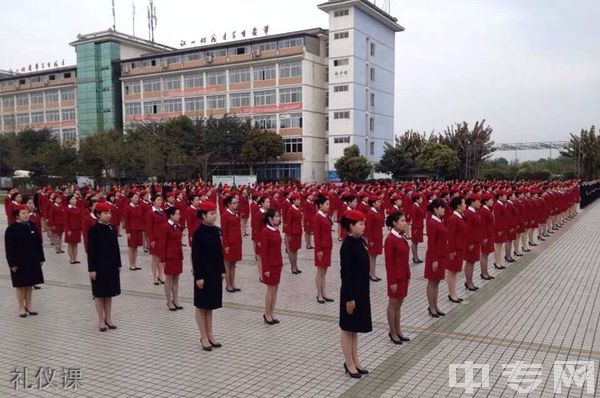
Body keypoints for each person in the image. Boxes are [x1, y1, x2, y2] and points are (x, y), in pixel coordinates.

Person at [339, 209, 372, 378]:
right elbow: (345, 274)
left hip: (361, 290)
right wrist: (349, 298)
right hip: (350, 292)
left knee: (355, 328)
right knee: (347, 328)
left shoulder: (360, 241)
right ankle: (348, 362)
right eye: (360, 224)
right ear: (351, 226)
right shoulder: (347, 245)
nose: (363, 226)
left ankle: (355, 360)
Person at [192, 201, 226, 351]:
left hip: (214, 273)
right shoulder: (198, 233)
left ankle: (210, 334)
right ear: (203, 215)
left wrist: (222, 270)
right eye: (212, 214)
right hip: (203, 274)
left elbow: (219, 253)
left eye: (215, 213)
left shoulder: (216, 231)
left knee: (210, 305)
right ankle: (203, 336)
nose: (214, 216)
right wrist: (198, 277)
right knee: (201, 305)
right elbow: (196, 257)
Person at [5, 204, 45, 317]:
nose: (26, 215)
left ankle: (29, 305)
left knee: (29, 284)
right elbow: (9, 249)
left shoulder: (31, 225)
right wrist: (12, 263)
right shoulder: (11, 229)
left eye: (27, 212)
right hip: (19, 261)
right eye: (23, 213)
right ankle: (21, 307)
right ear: (17, 216)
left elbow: (38, 243)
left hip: (32, 260)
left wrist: (41, 258)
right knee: (21, 285)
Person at [87, 202, 121, 332]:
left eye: (109, 213)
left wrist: (118, 264)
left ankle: (109, 318)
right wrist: (92, 269)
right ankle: (101, 320)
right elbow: (91, 252)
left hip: (111, 265)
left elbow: (116, 248)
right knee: (99, 294)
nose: (108, 215)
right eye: (105, 213)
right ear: (98, 215)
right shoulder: (93, 230)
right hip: (99, 266)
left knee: (109, 293)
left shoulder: (112, 228)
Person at [384, 211, 411, 344]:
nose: (404, 223)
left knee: (399, 305)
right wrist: (392, 281)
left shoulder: (401, 237)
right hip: (396, 277)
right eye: (402, 221)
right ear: (394, 223)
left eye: (404, 221)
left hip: (404, 275)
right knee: (393, 304)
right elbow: (389, 263)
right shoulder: (390, 239)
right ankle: (392, 331)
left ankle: (398, 330)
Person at [259, 208, 284, 325]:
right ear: (270, 218)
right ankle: (267, 313)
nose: (278, 218)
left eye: (279, 216)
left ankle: (272, 312)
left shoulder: (276, 230)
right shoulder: (265, 232)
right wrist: (266, 269)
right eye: (276, 216)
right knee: (270, 290)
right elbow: (263, 253)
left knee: (276, 290)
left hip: (277, 263)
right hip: (270, 265)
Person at [424, 199, 448, 318]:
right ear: (435, 209)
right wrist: (434, 260)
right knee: (432, 282)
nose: (444, 209)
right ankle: (431, 307)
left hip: (441, 255)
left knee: (437, 282)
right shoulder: (432, 223)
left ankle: (435, 305)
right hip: (435, 256)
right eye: (441, 207)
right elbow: (431, 243)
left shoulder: (440, 220)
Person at [158, 207, 184, 311]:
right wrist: (163, 259)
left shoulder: (177, 226)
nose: (179, 216)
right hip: (169, 257)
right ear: (171, 215)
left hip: (177, 256)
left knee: (176, 280)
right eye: (177, 214)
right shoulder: (165, 227)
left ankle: (176, 300)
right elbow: (162, 244)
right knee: (168, 280)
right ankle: (169, 301)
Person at [313, 194, 334, 303]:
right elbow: (316, 235)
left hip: (327, 246)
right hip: (321, 248)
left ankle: (324, 292)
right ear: (320, 205)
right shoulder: (317, 217)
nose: (328, 206)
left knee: (324, 271)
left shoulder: (325, 215)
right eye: (326, 204)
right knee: (320, 271)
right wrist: (318, 250)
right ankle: (319, 294)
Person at [446, 196, 467, 303]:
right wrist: (452, 251)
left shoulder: (461, 216)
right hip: (455, 249)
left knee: (455, 271)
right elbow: (450, 236)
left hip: (460, 247)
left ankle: (453, 293)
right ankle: (451, 294)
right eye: (464, 203)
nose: (465, 205)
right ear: (458, 205)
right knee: (452, 272)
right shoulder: (453, 218)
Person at [221, 195, 243, 292]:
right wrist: (226, 245)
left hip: (237, 242)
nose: (236, 204)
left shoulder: (236, 213)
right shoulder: (225, 214)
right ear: (228, 204)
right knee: (227, 264)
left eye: (237, 203)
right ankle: (228, 285)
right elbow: (223, 231)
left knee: (233, 264)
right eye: (234, 203)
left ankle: (233, 283)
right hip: (229, 243)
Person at [146, 194, 167, 285]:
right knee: (155, 258)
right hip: (155, 238)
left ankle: (160, 275)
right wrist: (151, 240)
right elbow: (149, 228)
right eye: (158, 200)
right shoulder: (150, 212)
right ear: (153, 201)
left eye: (161, 200)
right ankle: (155, 276)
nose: (160, 201)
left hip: (162, 238)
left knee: (161, 258)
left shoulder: (163, 212)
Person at [464, 194, 482, 291]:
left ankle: (470, 281)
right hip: (471, 242)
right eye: (478, 201)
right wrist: (470, 243)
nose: (480, 203)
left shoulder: (475, 212)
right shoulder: (468, 213)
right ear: (472, 202)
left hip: (476, 241)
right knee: (470, 262)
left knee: (472, 262)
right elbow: (468, 230)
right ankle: (468, 282)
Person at [364, 194, 384, 282]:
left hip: (378, 236)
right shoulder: (371, 213)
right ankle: (371, 273)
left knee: (374, 256)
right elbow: (368, 227)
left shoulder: (376, 211)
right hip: (373, 238)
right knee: (371, 256)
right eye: (378, 202)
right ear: (373, 203)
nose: (379, 203)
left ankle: (373, 272)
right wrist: (370, 240)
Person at [123, 191, 144, 271]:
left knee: (136, 247)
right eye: (135, 197)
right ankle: (131, 264)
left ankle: (134, 264)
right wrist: (128, 231)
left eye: (137, 197)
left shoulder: (139, 207)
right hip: (131, 230)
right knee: (131, 247)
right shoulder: (127, 208)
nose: (137, 199)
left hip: (138, 229)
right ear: (130, 198)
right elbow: (126, 220)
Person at [478, 192, 496, 280]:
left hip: (489, 235)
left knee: (487, 254)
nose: (492, 201)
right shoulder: (483, 211)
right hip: (486, 236)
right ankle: (483, 273)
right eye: (490, 200)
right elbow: (483, 225)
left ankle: (486, 272)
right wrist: (484, 237)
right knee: (484, 254)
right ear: (485, 201)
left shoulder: (487, 209)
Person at [285, 192, 303, 274]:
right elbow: (288, 223)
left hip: (298, 232)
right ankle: (293, 267)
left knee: (296, 250)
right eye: (298, 200)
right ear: (293, 201)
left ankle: (296, 266)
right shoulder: (290, 210)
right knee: (292, 251)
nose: (299, 201)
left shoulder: (298, 208)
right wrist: (288, 235)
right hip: (292, 233)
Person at [65, 194, 82, 264]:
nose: (74, 200)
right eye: (73, 199)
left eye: (75, 199)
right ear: (69, 200)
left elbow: (80, 219)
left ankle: (75, 258)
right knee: (70, 244)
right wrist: (68, 229)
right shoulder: (67, 209)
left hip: (77, 229)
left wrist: (81, 228)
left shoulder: (77, 208)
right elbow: (65, 220)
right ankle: (71, 259)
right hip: (70, 229)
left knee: (76, 244)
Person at [410, 193, 425, 263]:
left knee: (416, 243)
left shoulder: (417, 206)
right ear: (417, 199)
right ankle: (415, 257)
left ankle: (416, 257)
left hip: (419, 227)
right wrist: (415, 229)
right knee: (414, 242)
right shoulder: (414, 207)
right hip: (416, 227)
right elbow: (414, 218)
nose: (422, 200)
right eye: (420, 198)